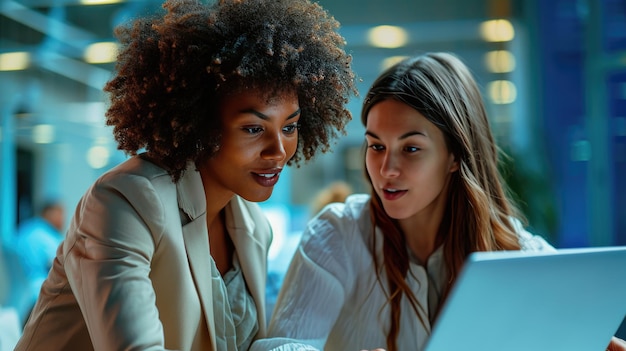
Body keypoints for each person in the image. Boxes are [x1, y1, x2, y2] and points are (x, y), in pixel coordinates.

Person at [14, 0, 357, 349]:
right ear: (202, 125)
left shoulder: (254, 227)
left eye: (290, 127)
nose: (279, 150)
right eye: (254, 129)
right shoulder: (126, 202)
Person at [250, 52, 626, 351]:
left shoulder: (517, 252)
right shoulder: (339, 233)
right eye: (376, 146)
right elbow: (283, 346)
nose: (386, 169)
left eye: (411, 148)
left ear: (455, 156)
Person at [12, 201, 65, 324]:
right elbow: (64, 262)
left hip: (20, 295)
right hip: (38, 293)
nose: (63, 219)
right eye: (60, 214)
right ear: (48, 214)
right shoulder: (46, 236)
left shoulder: (24, 229)